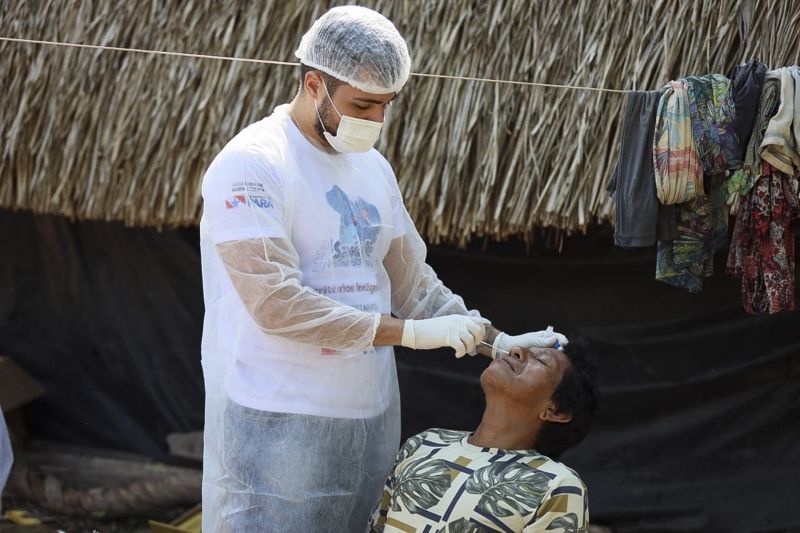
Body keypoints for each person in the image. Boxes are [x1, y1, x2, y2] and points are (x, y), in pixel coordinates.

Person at [198, 5, 568, 531]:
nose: (375, 121)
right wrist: (411, 334)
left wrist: (497, 342)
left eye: (386, 106)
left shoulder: (372, 169)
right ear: (313, 84)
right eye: (363, 105)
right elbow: (276, 305)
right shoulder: (253, 163)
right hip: (278, 417)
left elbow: (414, 284)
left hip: (368, 417)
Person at [370, 342, 598, 533]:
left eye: (541, 361)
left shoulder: (556, 484)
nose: (517, 350)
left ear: (556, 410)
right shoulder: (426, 442)